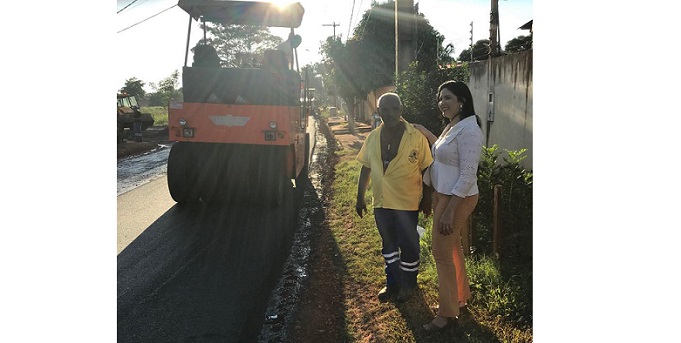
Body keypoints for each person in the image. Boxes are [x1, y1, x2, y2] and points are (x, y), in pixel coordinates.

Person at [412, 81, 483, 331]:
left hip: (457, 199)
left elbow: (467, 175)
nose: (442, 102)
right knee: (452, 249)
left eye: (448, 98)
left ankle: (446, 314)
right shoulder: (454, 126)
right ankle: (460, 298)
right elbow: (440, 151)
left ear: (462, 101)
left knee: (440, 253)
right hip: (445, 196)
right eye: (440, 98)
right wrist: (425, 131)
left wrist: (450, 211)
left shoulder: (470, 131)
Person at [355, 92, 434, 303]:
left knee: (409, 245)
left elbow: (427, 169)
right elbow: (366, 168)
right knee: (388, 245)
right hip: (381, 203)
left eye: (394, 109)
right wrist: (360, 197)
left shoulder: (416, 137)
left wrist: (427, 199)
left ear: (401, 110)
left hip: (407, 203)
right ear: (378, 112)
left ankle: (409, 284)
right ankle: (392, 283)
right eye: (385, 110)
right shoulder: (372, 137)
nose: (390, 114)